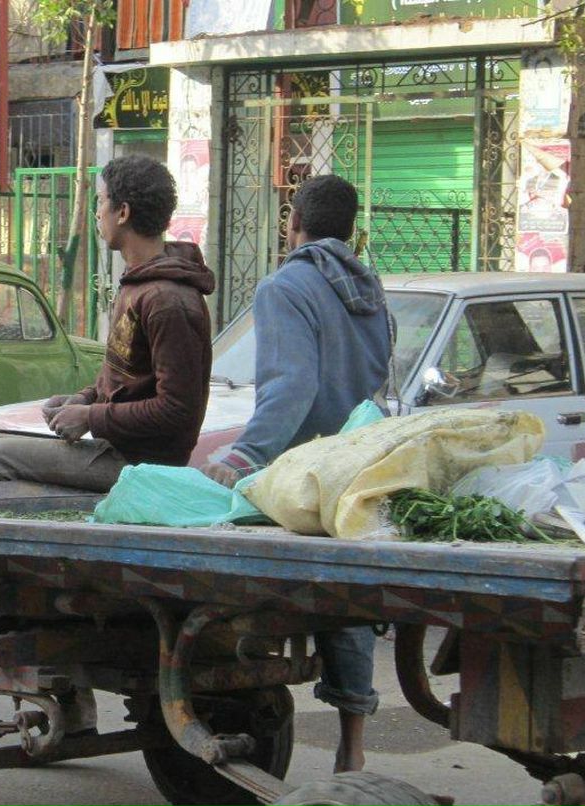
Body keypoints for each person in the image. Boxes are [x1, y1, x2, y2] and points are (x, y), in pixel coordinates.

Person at [201, 174, 391, 774]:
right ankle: (352, 748)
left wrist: (239, 460)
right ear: (353, 230)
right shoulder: (371, 291)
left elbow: (290, 388)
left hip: (303, 476)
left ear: (292, 224)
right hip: (359, 467)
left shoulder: (286, 286)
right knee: (349, 607)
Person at [0, 154, 215, 493]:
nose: (96, 212)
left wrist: (90, 418)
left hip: (139, 466)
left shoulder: (168, 301)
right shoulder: (139, 284)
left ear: (123, 212)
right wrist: (84, 399)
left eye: (100, 201)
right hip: (116, 450)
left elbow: (178, 409)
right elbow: (129, 382)